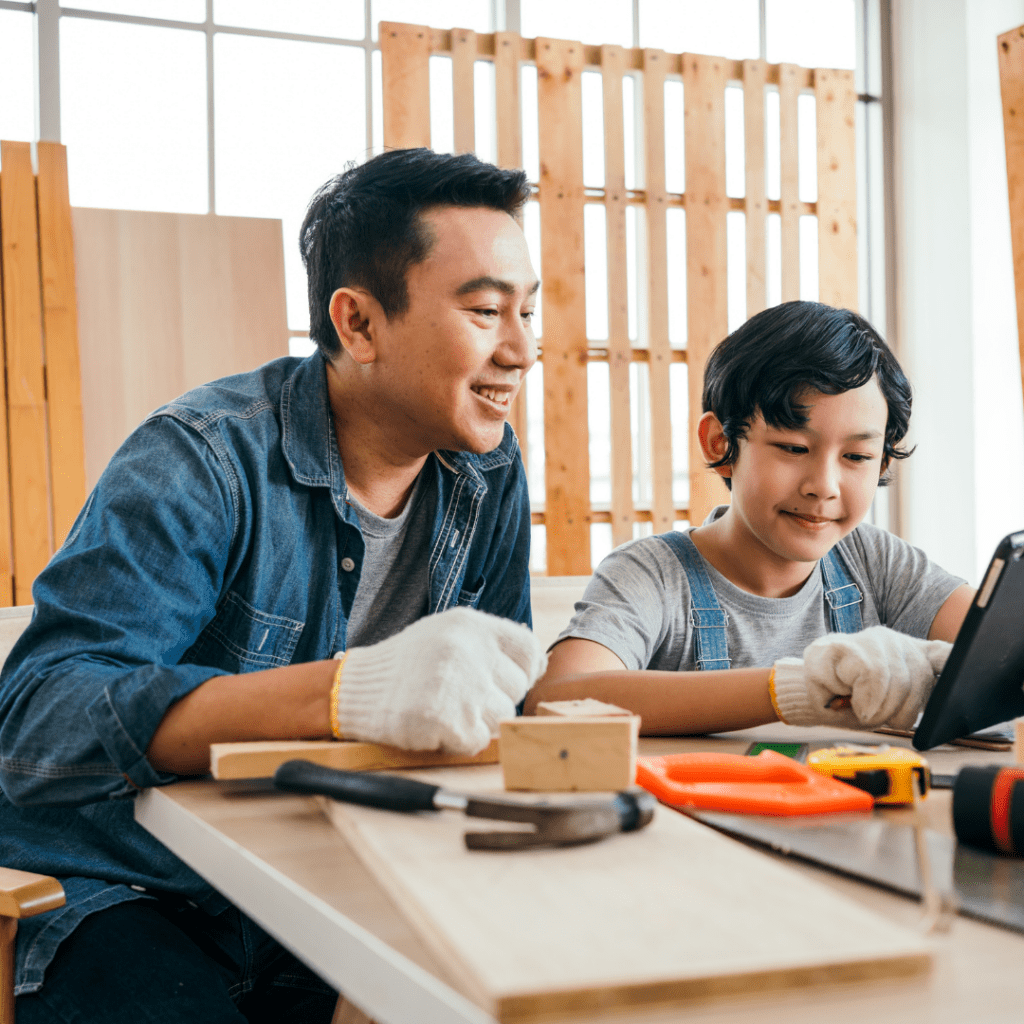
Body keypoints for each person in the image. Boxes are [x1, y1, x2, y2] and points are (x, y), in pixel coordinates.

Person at [1, 148, 546, 1022]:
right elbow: (40, 726)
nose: (522, 349)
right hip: (128, 889)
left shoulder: (488, 474)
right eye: (486, 311)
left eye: (529, 311)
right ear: (358, 324)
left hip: (330, 885)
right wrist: (348, 694)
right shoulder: (201, 457)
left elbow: (495, 711)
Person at [525, 301, 975, 733]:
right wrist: (795, 688)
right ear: (721, 443)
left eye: (856, 456)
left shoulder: (871, 560)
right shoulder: (653, 576)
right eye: (794, 448)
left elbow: (1000, 647)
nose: (824, 485)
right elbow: (557, 699)